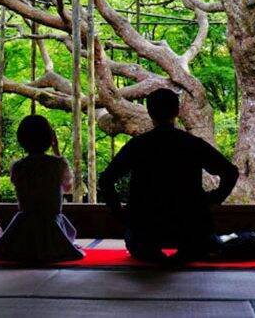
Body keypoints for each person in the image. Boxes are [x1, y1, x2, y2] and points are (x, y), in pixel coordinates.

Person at [99, 88, 239, 263]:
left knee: (140, 244)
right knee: (204, 242)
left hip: (146, 228)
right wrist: (213, 199)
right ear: (177, 111)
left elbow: (106, 180)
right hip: (190, 225)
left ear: (149, 112)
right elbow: (231, 172)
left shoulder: (138, 145)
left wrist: (122, 215)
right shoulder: (192, 144)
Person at [0, 115, 85, 263]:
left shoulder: (18, 166)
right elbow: (68, 188)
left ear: (22, 140)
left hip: (24, 225)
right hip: (52, 227)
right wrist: (56, 150)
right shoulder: (57, 164)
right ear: (50, 138)